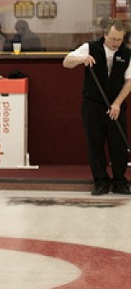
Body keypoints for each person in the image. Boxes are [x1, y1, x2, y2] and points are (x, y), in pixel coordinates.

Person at [63, 19, 131, 195]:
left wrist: (117, 103)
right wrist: (81, 59)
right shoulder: (91, 47)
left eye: (120, 39)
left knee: (119, 146)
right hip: (93, 104)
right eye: (113, 39)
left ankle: (119, 181)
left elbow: (129, 82)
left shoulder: (127, 53)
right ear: (105, 35)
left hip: (116, 105)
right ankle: (101, 181)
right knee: (95, 144)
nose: (116, 43)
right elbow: (66, 62)